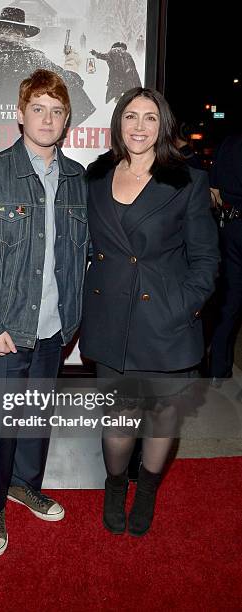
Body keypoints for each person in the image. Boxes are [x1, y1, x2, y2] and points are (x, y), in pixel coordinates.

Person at [79, 87, 219, 536]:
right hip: (110, 321)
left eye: (150, 118)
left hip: (165, 323)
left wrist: (182, 308)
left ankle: (150, 489)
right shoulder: (95, 175)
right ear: (118, 123)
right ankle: (116, 484)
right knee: (118, 423)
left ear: (163, 126)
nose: (139, 127)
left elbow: (205, 260)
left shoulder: (186, 181)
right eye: (131, 117)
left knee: (162, 421)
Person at [0, 69, 89, 556]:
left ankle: (24, 485)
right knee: (3, 425)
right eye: (38, 108)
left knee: (35, 418)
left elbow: (83, 253)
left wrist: (75, 321)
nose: (48, 118)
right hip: (5, 330)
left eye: (57, 111)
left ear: (66, 120)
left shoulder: (78, 179)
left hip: (55, 330)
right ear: (20, 114)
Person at [0, 7, 95, 135]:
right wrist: (71, 65)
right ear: (23, 33)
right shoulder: (39, 63)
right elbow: (73, 96)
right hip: (25, 155)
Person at [208, 132, 242, 386]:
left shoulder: (229, 142)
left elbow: (214, 191)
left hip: (231, 227)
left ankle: (219, 368)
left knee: (229, 301)